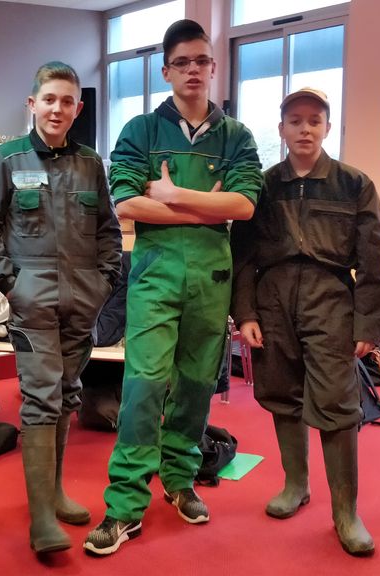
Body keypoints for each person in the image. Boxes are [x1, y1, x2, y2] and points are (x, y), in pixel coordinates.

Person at [83, 19, 263, 556]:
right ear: (166, 71)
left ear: (213, 66)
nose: (192, 70)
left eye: (201, 61)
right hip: (156, 274)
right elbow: (127, 203)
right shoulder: (140, 130)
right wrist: (207, 208)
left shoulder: (237, 137)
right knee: (143, 384)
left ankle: (180, 480)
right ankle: (125, 504)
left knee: (196, 384)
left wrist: (171, 194)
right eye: (181, 62)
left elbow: (244, 205)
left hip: (212, 279)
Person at [229, 87, 380, 556]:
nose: (305, 129)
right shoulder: (263, 186)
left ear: (327, 128)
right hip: (273, 300)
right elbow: (243, 255)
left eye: (314, 121)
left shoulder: (353, 184)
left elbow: (374, 262)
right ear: (281, 129)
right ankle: (295, 484)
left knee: (338, 404)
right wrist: (246, 312)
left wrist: (368, 324)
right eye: (295, 121)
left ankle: (346, 512)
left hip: (330, 300)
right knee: (282, 394)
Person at [0, 62, 122, 553]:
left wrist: (104, 282)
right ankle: (40, 520)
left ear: (78, 109)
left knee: (67, 392)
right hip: (31, 298)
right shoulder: (7, 159)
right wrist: (12, 285)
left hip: (82, 298)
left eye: (67, 101)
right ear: (32, 103)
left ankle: (55, 493)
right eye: (49, 99)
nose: (58, 109)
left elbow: (108, 231)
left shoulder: (91, 163)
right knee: (40, 396)